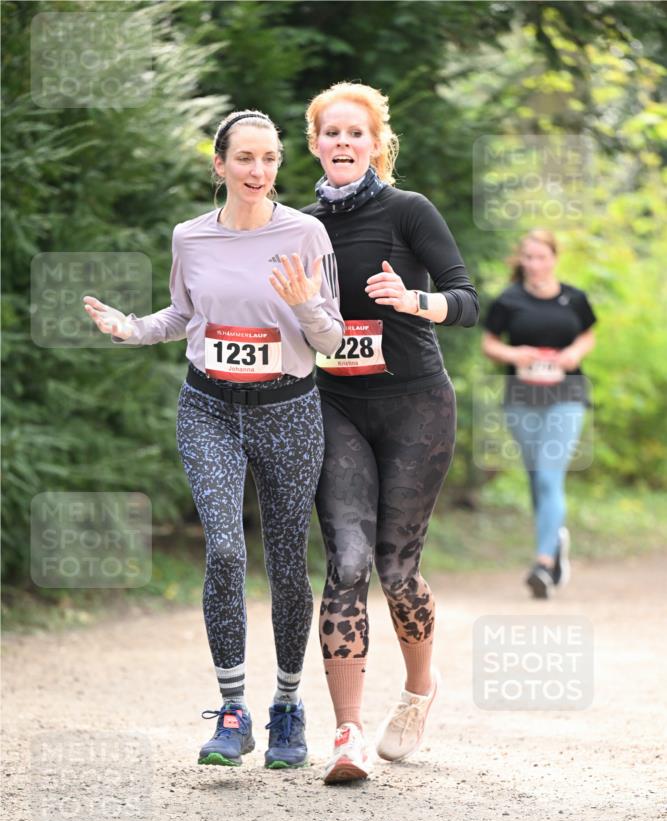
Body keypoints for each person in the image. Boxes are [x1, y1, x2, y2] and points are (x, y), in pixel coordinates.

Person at [83, 109, 343, 770]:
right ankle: (232, 711)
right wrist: (131, 328)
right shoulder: (190, 238)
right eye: (245, 159)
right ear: (219, 164)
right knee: (225, 551)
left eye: (270, 159)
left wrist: (306, 302)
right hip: (209, 408)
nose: (258, 172)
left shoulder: (306, 233)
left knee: (287, 561)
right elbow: (182, 315)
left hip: (288, 409)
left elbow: (332, 340)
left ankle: (287, 707)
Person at [302, 82, 479, 783]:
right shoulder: (299, 225)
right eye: (330, 133)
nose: (343, 144)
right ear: (313, 143)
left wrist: (415, 301)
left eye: (355, 134)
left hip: (414, 404)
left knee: (394, 566)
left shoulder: (407, 211)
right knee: (345, 560)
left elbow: (467, 299)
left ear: (376, 145)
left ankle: (416, 691)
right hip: (334, 403)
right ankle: (345, 735)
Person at [481, 229, 597, 599]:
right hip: (521, 398)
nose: (534, 264)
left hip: (567, 395)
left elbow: (589, 333)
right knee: (536, 479)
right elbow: (490, 344)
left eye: (541, 257)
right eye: (528, 257)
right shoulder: (508, 301)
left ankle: (543, 564)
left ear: (554, 258)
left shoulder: (573, 298)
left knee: (549, 476)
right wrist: (517, 356)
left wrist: (575, 353)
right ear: (521, 261)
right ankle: (555, 541)